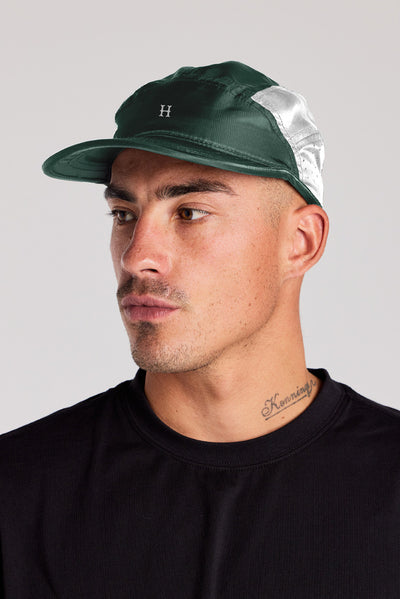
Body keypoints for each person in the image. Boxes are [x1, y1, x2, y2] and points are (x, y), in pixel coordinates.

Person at [0, 61, 399, 598]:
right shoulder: (18, 490)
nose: (137, 257)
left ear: (300, 242)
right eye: (123, 214)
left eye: (189, 212)